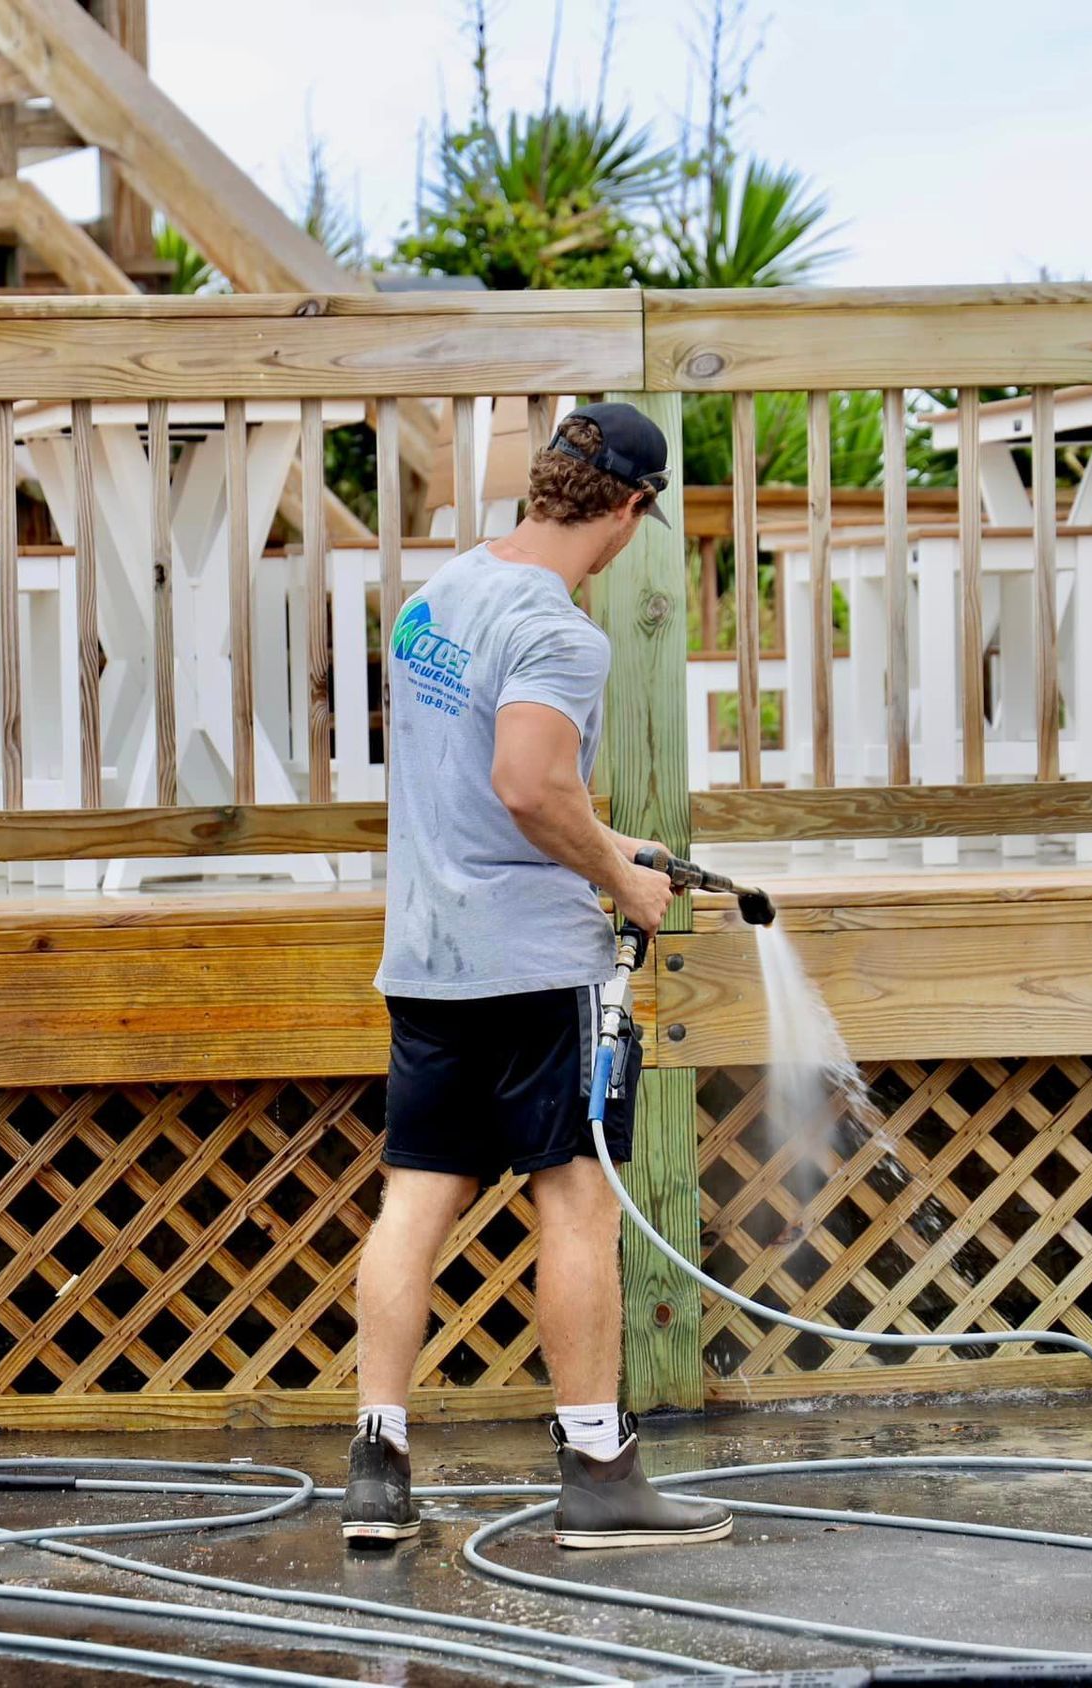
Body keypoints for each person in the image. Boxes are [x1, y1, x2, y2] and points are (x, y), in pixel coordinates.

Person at [340, 403, 733, 1552]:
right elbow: (524, 781)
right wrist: (622, 873)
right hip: (533, 967)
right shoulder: (563, 632)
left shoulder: (437, 596)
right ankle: (600, 1474)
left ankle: (377, 1463)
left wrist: (601, 839)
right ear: (630, 509)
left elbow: (477, 774)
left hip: (426, 954)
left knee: (415, 1197)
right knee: (574, 1202)